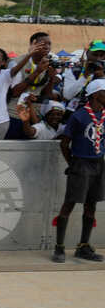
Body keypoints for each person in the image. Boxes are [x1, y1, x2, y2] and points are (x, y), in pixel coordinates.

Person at [51, 79, 105, 263]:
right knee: (70, 203)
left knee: (91, 205)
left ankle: (83, 246)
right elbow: (65, 142)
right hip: (81, 163)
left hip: (98, 162)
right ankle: (59, 247)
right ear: (95, 94)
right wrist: (72, 162)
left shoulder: (103, 114)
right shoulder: (79, 116)